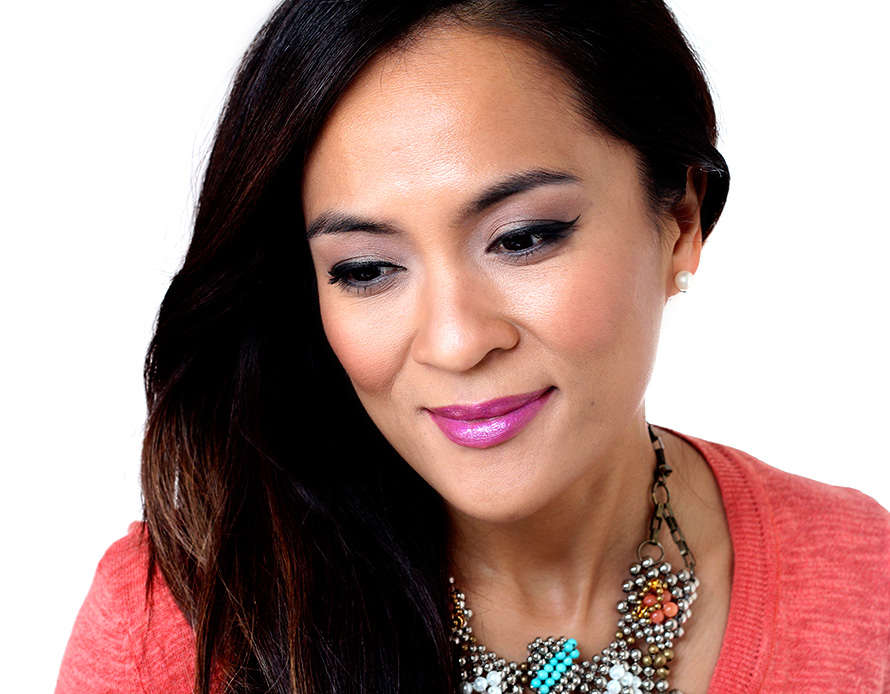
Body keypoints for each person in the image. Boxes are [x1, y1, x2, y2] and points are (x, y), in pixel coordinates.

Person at [55, 1, 890, 693]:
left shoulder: (866, 588)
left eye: (523, 238)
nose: (456, 343)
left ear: (680, 219)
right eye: (367, 269)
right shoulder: (173, 629)